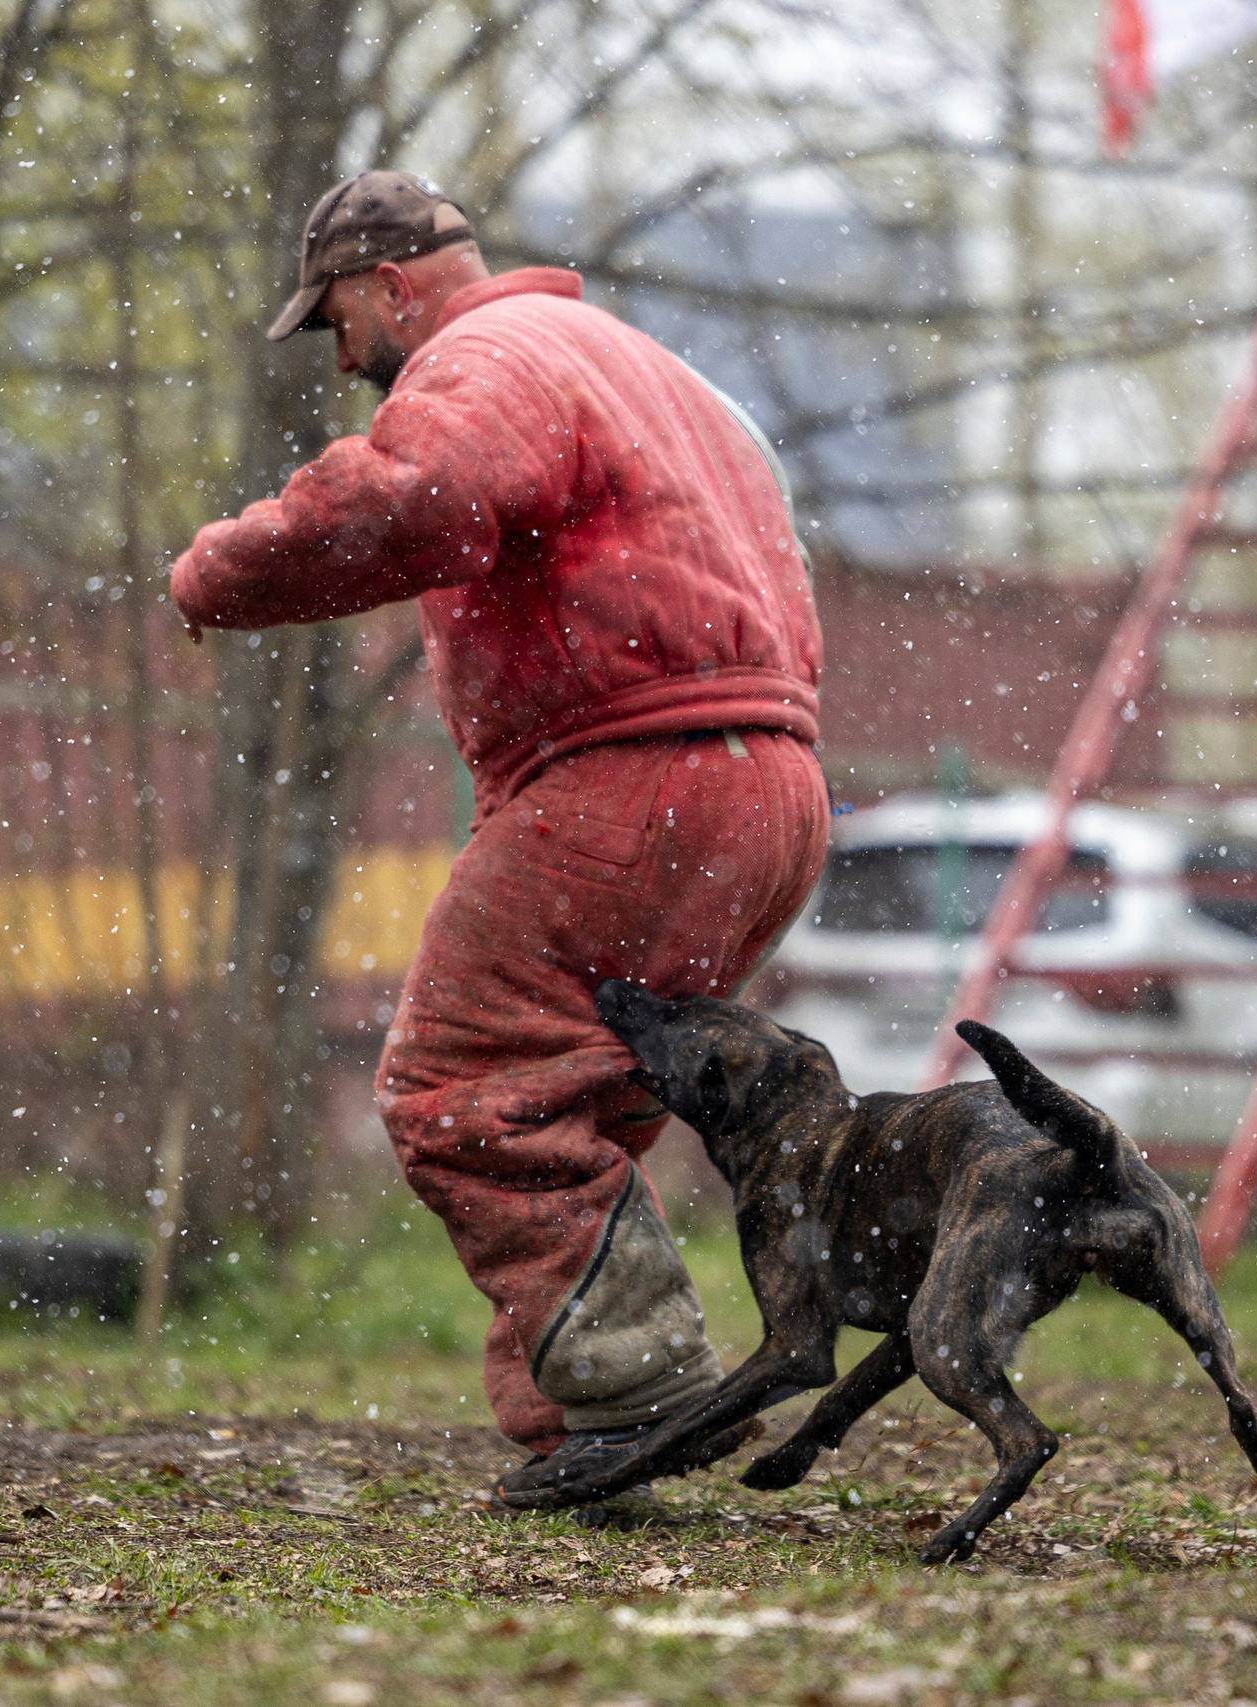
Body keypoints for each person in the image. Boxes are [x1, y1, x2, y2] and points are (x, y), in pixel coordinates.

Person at [169, 170, 829, 1503]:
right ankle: (582, 1422)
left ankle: (641, 1389)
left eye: (337, 320)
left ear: (392, 282)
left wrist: (220, 569)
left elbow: (420, 494)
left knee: (458, 1086)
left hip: (636, 774)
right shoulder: (654, 372)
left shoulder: (490, 351)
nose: (343, 355)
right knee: (577, 1096)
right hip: (771, 784)